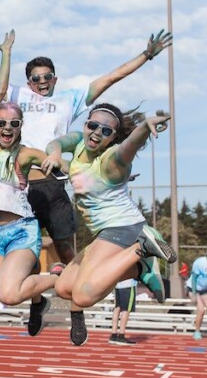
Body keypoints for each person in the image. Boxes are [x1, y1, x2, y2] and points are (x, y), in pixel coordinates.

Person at [0, 25, 172, 346]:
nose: (42, 82)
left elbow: (111, 77)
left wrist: (145, 56)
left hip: (53, 183)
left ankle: (76, 309)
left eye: (47, 77)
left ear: (55, 79)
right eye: (36, 78)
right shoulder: (16, 97)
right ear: (28, 80)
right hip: (20, 188)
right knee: (26, 256)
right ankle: (37, 303)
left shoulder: (69, 100)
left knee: (64, 250)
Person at [44, 104, 175, 328]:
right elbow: (55, 143)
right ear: (86, 124)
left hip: (124, 227)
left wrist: (144, 127)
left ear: (112, 137)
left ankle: (142, 248)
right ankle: (140, 268)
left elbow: (128, 147)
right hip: (105, 231)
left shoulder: (111, 161)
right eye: (93, 125)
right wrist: (55, 154)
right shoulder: (78, 143)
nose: (96, 132)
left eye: (106, 131)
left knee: (83, 296)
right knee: (64, 287)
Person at [0, 32, 60, 336]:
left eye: (14, 123)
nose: (7, 127)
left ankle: (59, 278)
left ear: (20, 127)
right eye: (1, 123)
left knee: (9, 295)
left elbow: (54, 156)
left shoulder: (23, 154)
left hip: (21, 231)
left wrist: (57, 158)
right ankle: (38, 301)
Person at [110, 278, 138, 345]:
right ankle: (121, 336)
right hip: (128, 284)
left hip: (118, 284)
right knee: (126, 309)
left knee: (117, 308)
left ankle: (113, 335)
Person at [189, 255, 207, 340]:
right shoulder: (200, 262)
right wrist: (194, 294)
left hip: (204, 290)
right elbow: (194, 279)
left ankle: (197, 322)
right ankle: (196, 331)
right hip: (194, 288)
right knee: (201, 310)